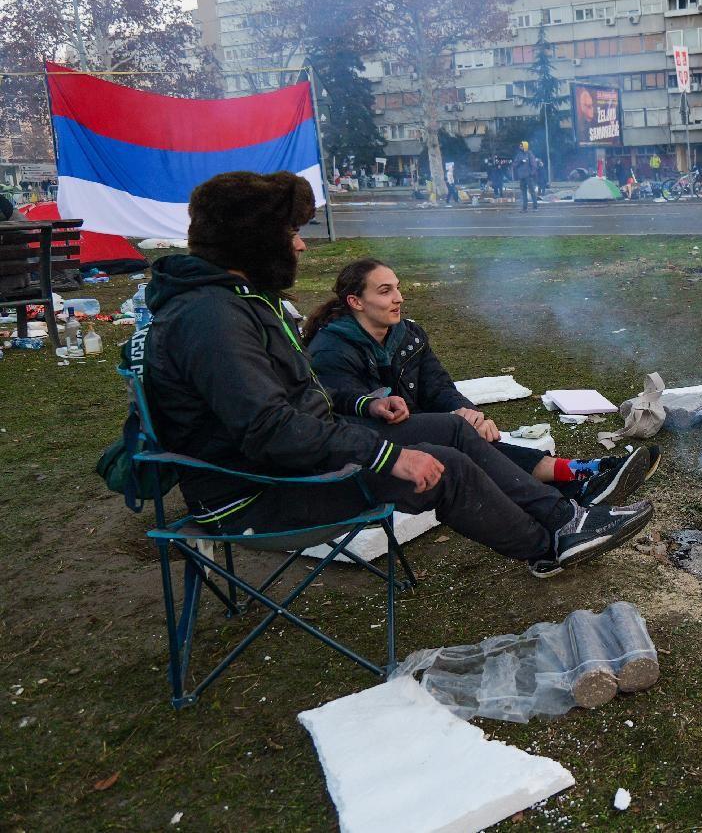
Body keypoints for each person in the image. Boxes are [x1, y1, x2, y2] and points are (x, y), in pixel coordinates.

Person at [140, 171, 651, 580]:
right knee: (443, 465)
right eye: (291, 232)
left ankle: (569, 519)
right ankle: (549, 547)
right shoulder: (211, 319)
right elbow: (271, 429)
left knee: (452, 428)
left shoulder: (232, 304)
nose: (300, 246)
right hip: (257, 489)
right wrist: (385, 453)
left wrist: (364, 409)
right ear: (253, 240)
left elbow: (296, 406)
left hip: (299, 457)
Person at [303, 257, 657, 507]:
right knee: (464, 445)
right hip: (377, 450)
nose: (398, 298)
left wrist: (467, 411)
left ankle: (580, 477)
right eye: (385, 291)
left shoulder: (407, 335)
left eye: (397, 288)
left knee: (471, 436)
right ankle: (577, 480)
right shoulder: (332, 349)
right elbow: (348, 414)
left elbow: (437, 386)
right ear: (356, 302)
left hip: (423, 430)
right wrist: (448, 423)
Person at [513, 141, 540, 212]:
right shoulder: (519, 155)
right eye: (520, 146)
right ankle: (524, 208)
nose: (520, 147)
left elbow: (534, 165)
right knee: (523, 193)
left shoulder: (529, 154)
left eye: (521, 146)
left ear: (525, 146)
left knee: (532, 192)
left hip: (528, 176)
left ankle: (535, 207)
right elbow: (514, 165)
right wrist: (520, 162)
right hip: (522, 177)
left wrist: (532, 173)